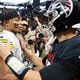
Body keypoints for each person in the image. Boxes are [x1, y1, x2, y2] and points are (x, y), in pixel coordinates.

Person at [0, 0, 80, 80]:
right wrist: (25, 50)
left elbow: (37, 78)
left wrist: (7, 56)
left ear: (63, 19)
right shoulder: (58, 42)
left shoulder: (76, 47)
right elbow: (43, 64)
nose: (48, 20)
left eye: (51, 16)